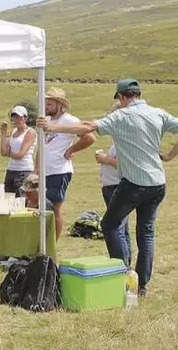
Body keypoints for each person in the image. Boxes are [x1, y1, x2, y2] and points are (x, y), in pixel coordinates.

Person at [38, 79, 178, 296]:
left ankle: (121, 274)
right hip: (158, 183)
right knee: (146, 233)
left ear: (121, 98)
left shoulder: (120, 116)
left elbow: (87, 128)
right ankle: (141, 286)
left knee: (110, 224)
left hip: (133, 183)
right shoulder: (157, 113)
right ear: (138, 94)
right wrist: (168, 156)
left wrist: (51, 127)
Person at [36, 88, 95, 239]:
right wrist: (36, 168)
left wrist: (72, 149)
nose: (46, 107)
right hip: (44, 170)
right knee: (39, 206)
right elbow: (41, 146)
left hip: (59, 170)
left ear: (60, 104)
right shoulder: (46, 121)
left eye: (50, 104)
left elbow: (89, 137)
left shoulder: (70, 120)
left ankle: (52, 243)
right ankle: (42, 239)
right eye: (45, 103)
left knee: (54, 208)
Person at [96, 105, 131, 265]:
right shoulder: (117, 139)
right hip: (111, 185)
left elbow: (126, 164)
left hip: (118, 186)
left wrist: (105, 159)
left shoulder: (126, 139)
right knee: (122, 229)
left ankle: (122, 266)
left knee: (116, 227)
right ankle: (126, 264)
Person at [0, 105, 37, 197]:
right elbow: (3, 152)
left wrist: (8, 153)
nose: (17, 120)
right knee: (8, 198)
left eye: (19, 117)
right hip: (11, 170)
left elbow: (20, 154)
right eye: (14, 117)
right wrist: (3, 134)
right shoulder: (13, 131)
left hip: (23, 171)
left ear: (25, 118)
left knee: (21, 200)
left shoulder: (30, 132)